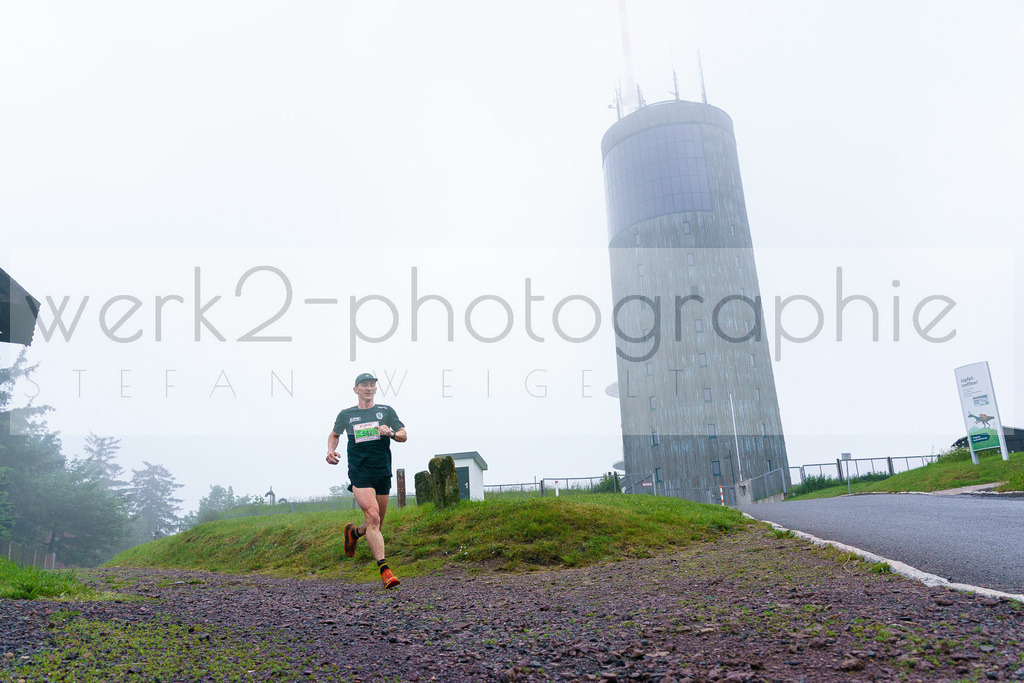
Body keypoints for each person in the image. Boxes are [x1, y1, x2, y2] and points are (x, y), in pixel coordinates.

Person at [326, 372, 407, 589]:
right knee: (372, 516)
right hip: (360, 472)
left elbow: (404, 435)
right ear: (356, 390)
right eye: (364, 385)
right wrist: (330, 450)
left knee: (376, 523)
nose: (368, 388)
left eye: (372, 385)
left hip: (382, 471)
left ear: (375, 389)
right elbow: (334, 434)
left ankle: (353, 533)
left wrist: (391, 433)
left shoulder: (386, 411)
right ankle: (385, 571)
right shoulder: (346, 414)